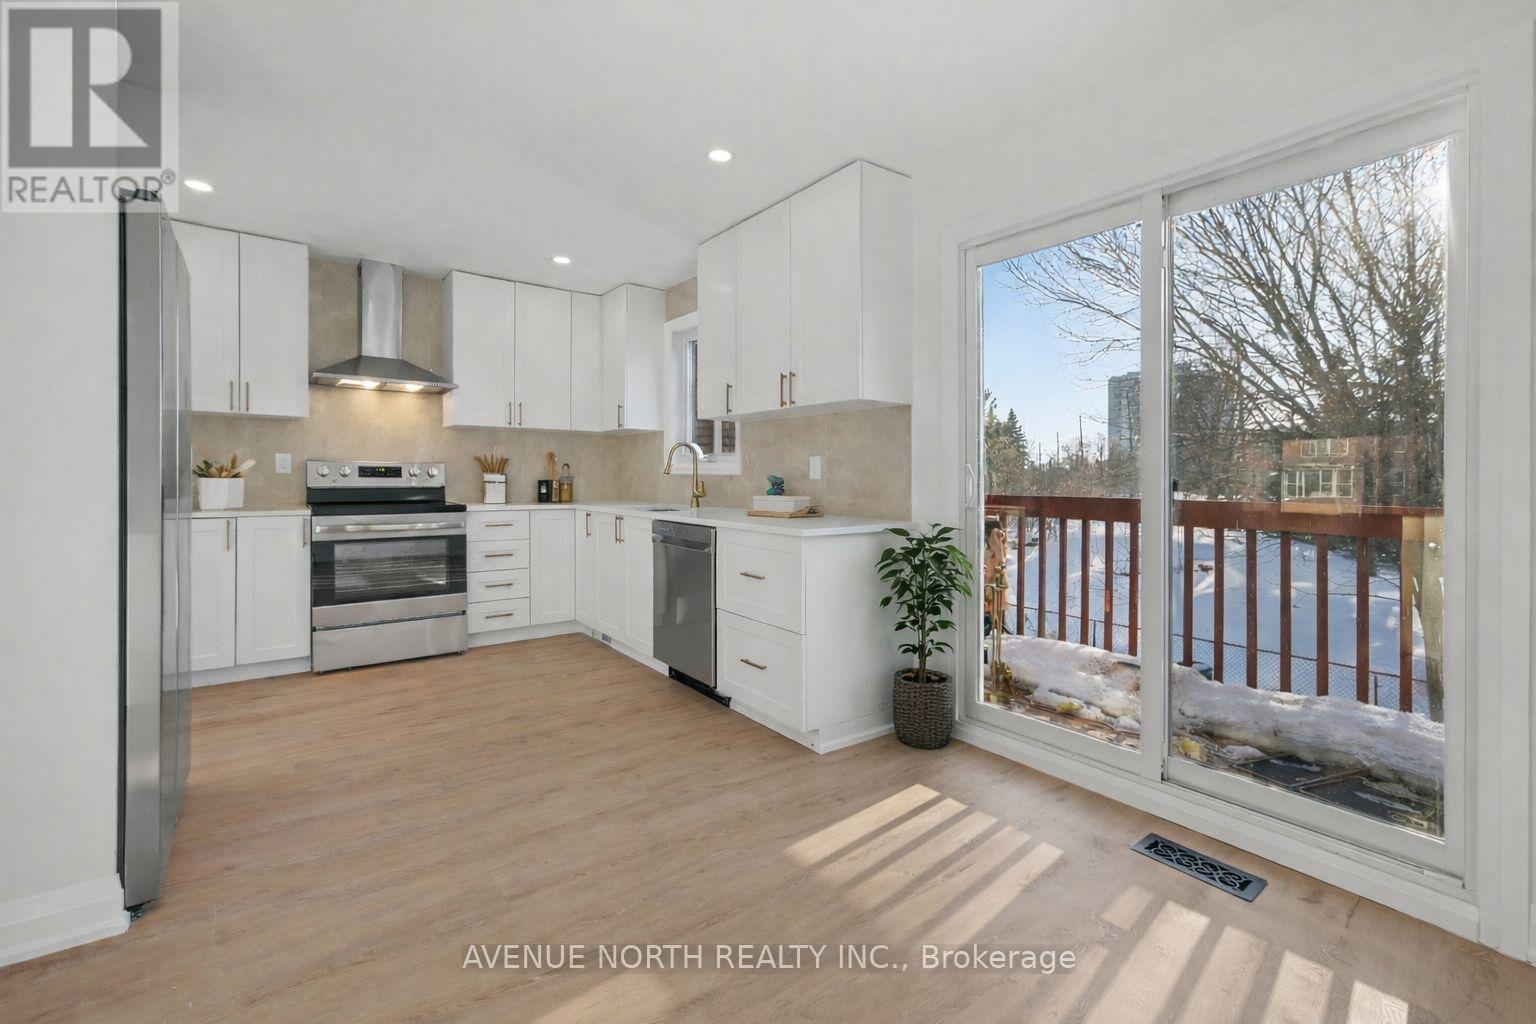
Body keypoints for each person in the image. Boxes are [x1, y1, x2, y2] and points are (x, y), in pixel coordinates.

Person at [983, 517, 1010, 636]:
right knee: (992, 619)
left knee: (988, 619)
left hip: (990, 589)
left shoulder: (992, 550)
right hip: (995, 589)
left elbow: (989, 572)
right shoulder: (1000, 547)